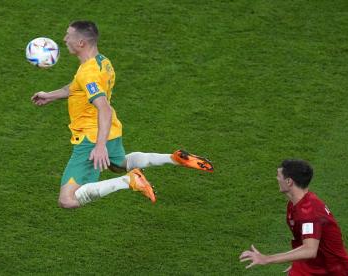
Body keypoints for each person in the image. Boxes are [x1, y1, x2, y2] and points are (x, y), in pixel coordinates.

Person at [31, 21, 213, 209]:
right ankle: (174, 158)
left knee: (67, 200)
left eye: (68, 35)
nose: (64, 39)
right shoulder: (102, 62)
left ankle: (129, 181)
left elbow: (103, 108)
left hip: (91, 137)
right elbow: (77, 87)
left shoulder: (88, 73)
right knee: (118, 165)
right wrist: (50, 95)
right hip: (111, 130)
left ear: (81, 43)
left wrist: (99, 146)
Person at [239, 159, 348, 275]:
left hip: (334, 271)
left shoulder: (309, 211)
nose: (277, 179)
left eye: (279, 176)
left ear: (289, 181)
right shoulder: (295, 205)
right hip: (315, 265)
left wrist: (266, 259)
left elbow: (310, 250)